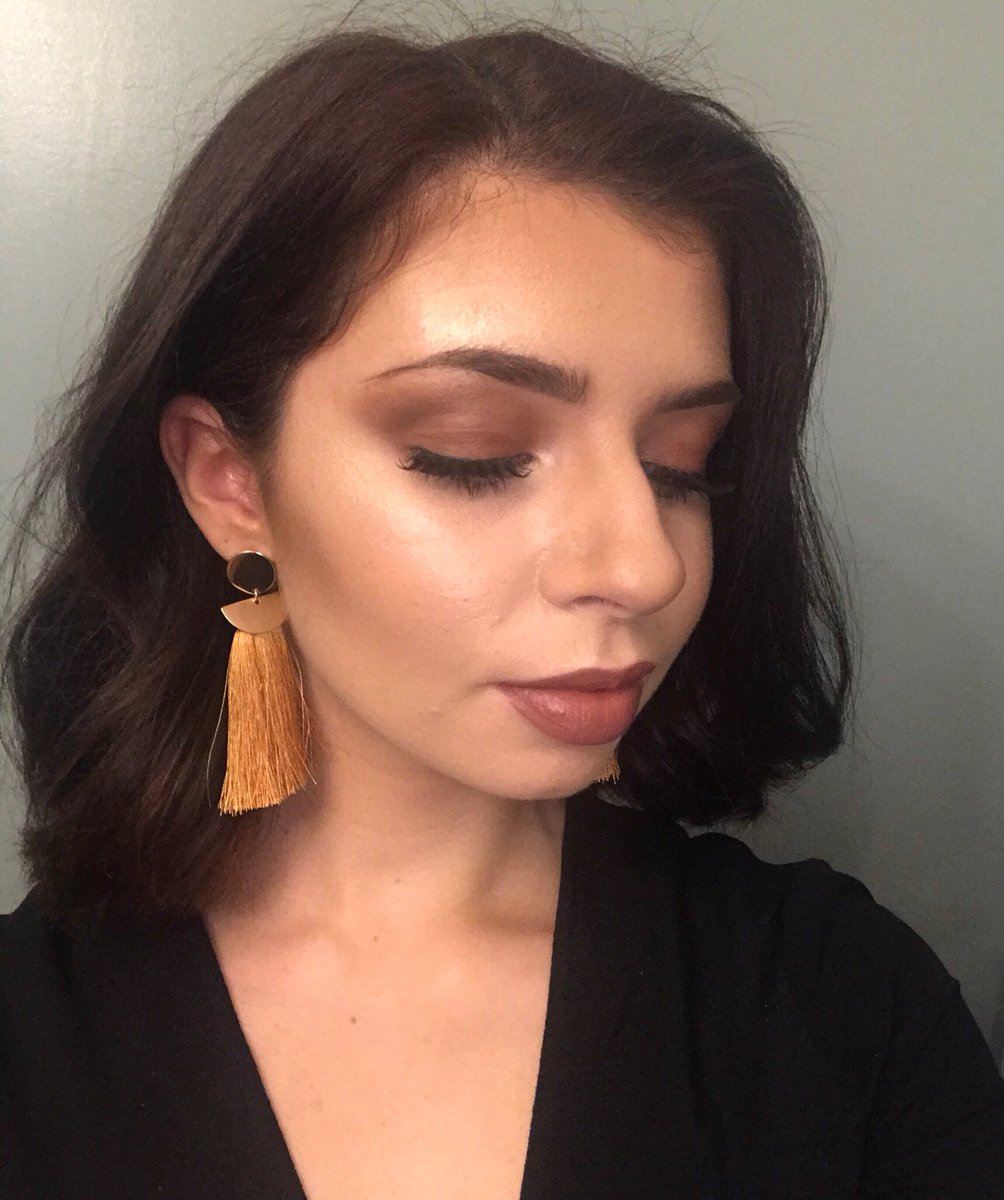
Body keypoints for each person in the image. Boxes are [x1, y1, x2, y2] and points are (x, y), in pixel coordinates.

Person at [1, 14, 1002, 1200]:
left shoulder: (839, 1010)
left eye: (679, 466)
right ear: (231, 483)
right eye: (473, 454)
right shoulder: (31, 1043)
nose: (644, 566)